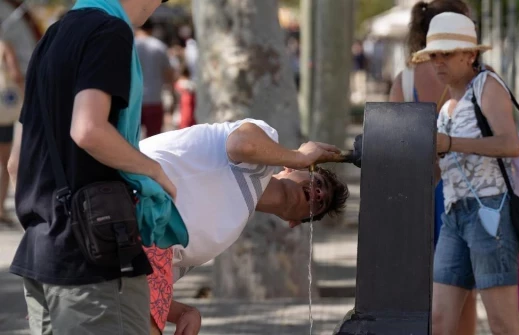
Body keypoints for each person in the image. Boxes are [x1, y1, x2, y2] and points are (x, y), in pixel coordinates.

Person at [7, 1, 177, 334]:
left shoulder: (53, 35)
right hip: (93, 256)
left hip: (40, 253)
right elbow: (88, 129)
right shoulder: (109, 31)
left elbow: (16, 162)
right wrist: (153, 171)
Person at [138, 119, 350, 334]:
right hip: (131, 194)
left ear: (293, 222)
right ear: (289, 168)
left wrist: (184, 312)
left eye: (320, 203)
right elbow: (241, 144)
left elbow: (149, 287)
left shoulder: (227, 233)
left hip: (135, 243)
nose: (319, 193)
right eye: (319, 182)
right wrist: (299, 156)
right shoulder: (261, 150)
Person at [416, 12, 519, 334]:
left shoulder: (486, 86)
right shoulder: (446, 102)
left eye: (446, 54)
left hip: (490, 211)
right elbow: (445, 166)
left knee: (502, 322)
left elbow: (510, 144)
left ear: (471, 54)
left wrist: (450, 142)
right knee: (438, 320)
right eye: (434, 55)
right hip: (453, 214)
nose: (438, 63)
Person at [388, 2, 477, 333]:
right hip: (464, 191)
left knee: (418, 287)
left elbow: (393, 145)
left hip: (417, 194)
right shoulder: (474, 77)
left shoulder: (406, 78)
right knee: (463, 292)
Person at [135, 18, 175, 137]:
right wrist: (172, 96)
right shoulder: (160, 47)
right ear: (152, 29)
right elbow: (169, 74)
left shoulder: (130, 45)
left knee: (130, 140)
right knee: (154, 138)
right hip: (154, 99)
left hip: (133, 101)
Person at [0, 37, 23, 224]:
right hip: (2, 113)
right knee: (3, 162)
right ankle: (0, 209)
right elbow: (15, 74)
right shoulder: (4, 46)